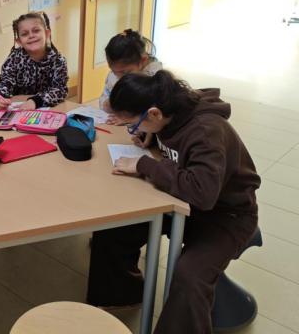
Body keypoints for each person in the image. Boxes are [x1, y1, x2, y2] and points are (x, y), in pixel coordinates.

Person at [86, 70, 260, 334]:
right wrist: (152, 138)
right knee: (113, 228)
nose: (134, 129)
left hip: (226, 216)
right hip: (182, 204)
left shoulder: (207, 131)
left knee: (189, 278)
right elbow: (178, 150)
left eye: (134, 124)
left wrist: (144, 165)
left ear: (154, 113)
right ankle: (122, 295)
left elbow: (203, 193)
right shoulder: (171, 114)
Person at [0, 11, 68, 110]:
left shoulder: (58, 61)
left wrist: (35, 101)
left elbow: (60, 90)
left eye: (36, 31)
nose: (31, 36)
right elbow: (5, 82)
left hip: (47, 109)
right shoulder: (14, 59)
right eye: (25, 34)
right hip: (18, 109)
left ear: (47, 33)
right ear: (19, 42)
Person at [99, 29, 161, 121]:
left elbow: (156, 114)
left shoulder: (155, 77)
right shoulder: (115, 75)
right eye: (114, 71)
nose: (119, 77)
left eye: (125, 72)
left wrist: (128, 120)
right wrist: (107, 104)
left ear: (143, 60)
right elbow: (103, 99)